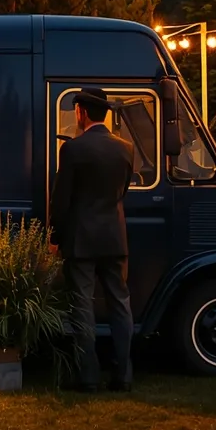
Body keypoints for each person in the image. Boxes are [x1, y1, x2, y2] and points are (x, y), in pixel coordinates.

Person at [50, 88, 137, 393]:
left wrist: (55, 237)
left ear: (82, 113)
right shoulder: (125, 148)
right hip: (115, 237)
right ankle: (123, 376)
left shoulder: (73, 149)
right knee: (120, 306)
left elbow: (61, 201)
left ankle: (88, 377)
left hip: (81, 239)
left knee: (82, 307)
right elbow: (122, 192)